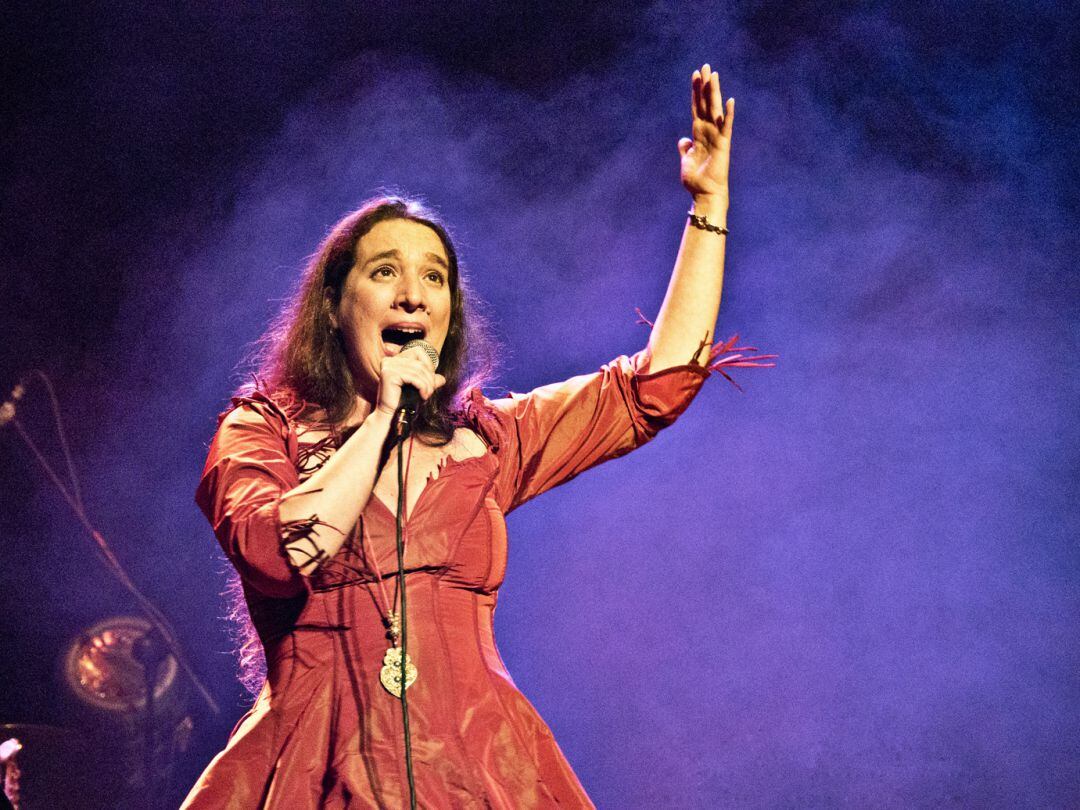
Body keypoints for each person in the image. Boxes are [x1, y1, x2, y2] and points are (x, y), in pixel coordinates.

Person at [182, 64, 763, 808]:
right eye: (384, 272)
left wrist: (709, 204)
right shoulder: (262, 431)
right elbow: (277, 552)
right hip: (315, 771)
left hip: (483, 772)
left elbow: (655, 385)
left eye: (435, 278)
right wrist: (384, 419)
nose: (412, 295)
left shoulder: (487, 442)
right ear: (333, 305)